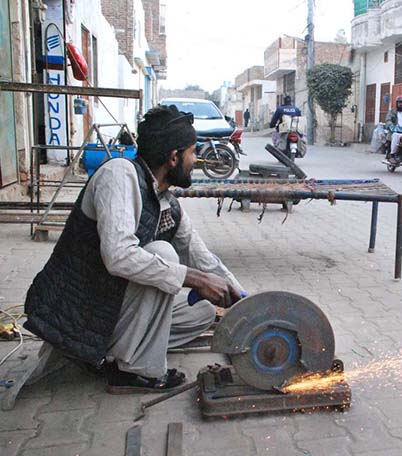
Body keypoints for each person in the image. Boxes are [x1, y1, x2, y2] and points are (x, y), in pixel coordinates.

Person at [24, 105, 246, 393]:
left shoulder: (165, 199)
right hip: (79, 312)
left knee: (201, 312)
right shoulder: (119, 175)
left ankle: (112, 353)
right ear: (174, 157)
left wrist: (243, 303)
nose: (197, 159)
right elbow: (119, 257)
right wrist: (195, 279)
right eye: (192, 152)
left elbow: (200, 256)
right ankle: (133, 371)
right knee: (163, 255)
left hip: (111, 308)